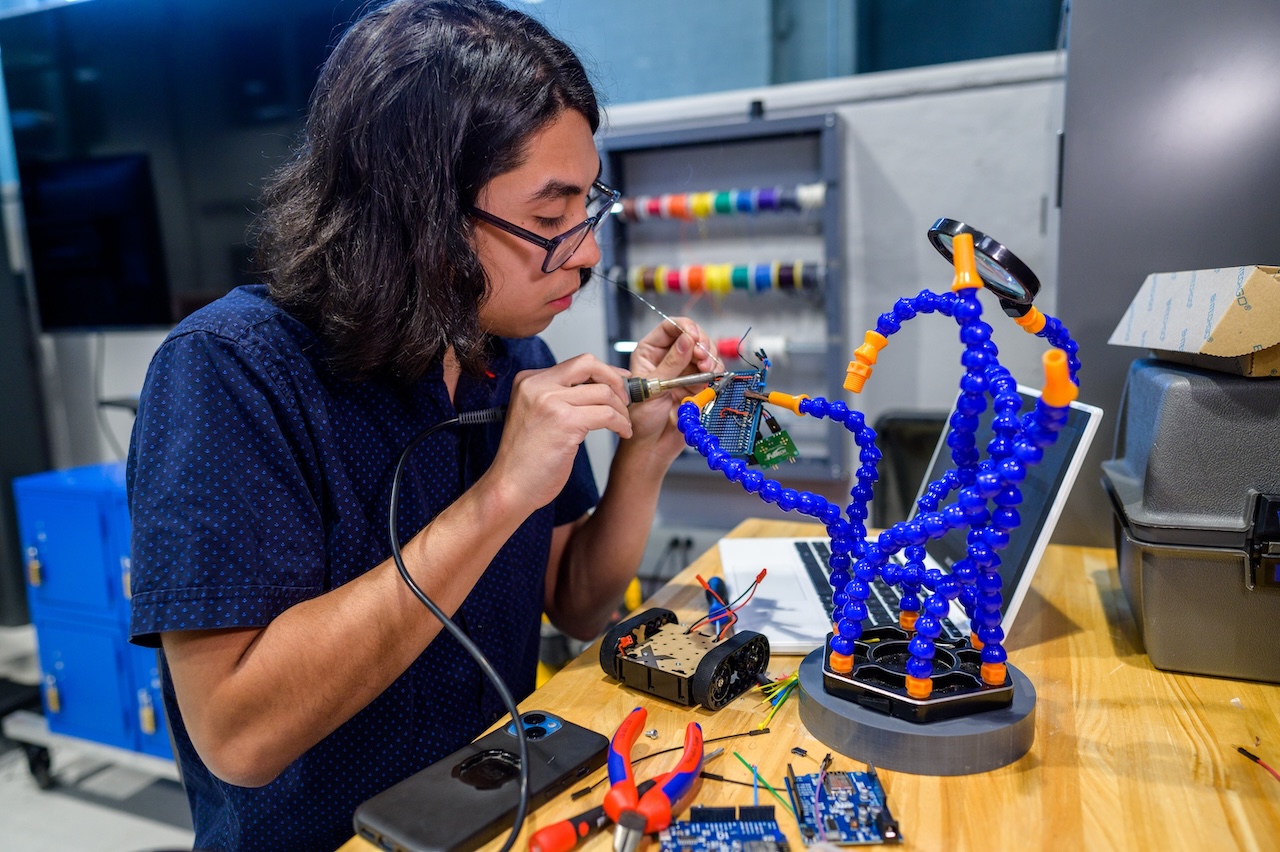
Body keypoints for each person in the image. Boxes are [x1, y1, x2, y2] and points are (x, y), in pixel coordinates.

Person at [125, 2, 718, 849]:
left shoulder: (509, 353)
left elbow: (582, 603)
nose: (586, 254)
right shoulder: (232, 371)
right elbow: (239, 736)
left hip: (501, 813)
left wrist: (647, 452)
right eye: (550, 220)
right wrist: (498, 497)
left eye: (588, 209)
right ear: (420, 214)